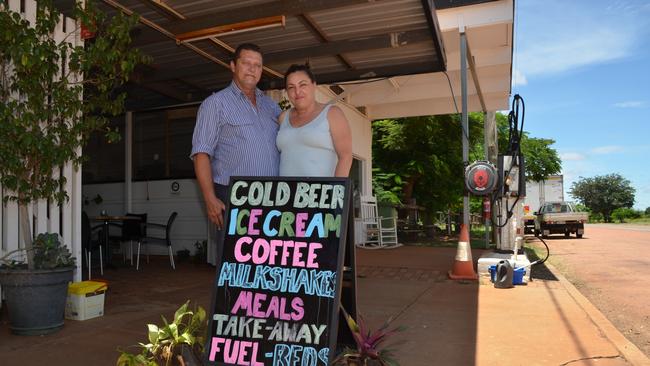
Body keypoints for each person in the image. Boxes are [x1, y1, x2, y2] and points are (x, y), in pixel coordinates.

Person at [191, 43, 281, 232]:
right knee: (234, 259)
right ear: (233, 66)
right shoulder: (215, 104)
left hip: (272, 198)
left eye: (257, 65)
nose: (252, 69)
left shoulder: (271, 107)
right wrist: (210, 199)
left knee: (267, 259)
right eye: (246, 63)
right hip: (234, 196)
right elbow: (201, 153)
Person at [276, 64, 352, 177]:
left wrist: (337, 192)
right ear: (287, 91)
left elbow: (345, 157)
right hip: (286, 193)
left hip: (321, 193)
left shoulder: (332, 113)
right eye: (291, 87)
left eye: (303, 85)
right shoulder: (283, 117)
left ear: (314, 85)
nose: (297, 92)